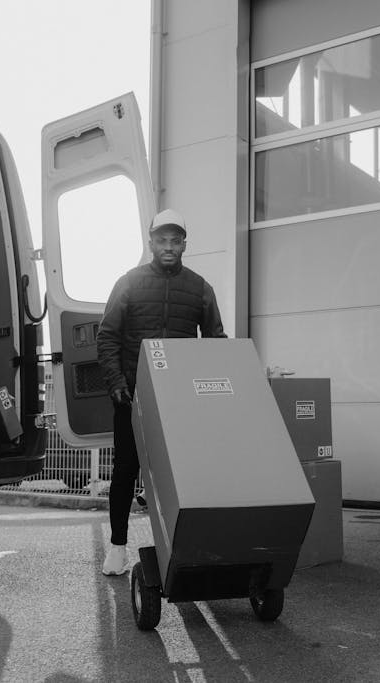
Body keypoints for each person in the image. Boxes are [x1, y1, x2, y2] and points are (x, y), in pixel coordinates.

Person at [96, 208, 226, 576]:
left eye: (175, 241)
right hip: (133, 396)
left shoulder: (200, 288)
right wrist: (116, 384)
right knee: (125, 469)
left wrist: (213, 390)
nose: (168, 247)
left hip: (180, 399)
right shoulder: (129, 282)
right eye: (161, 240)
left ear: (184, 244)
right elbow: (107, 337)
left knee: (186, 472)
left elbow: (216, 342)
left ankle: (186, 547)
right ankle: (118, 549)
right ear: (150, 242)